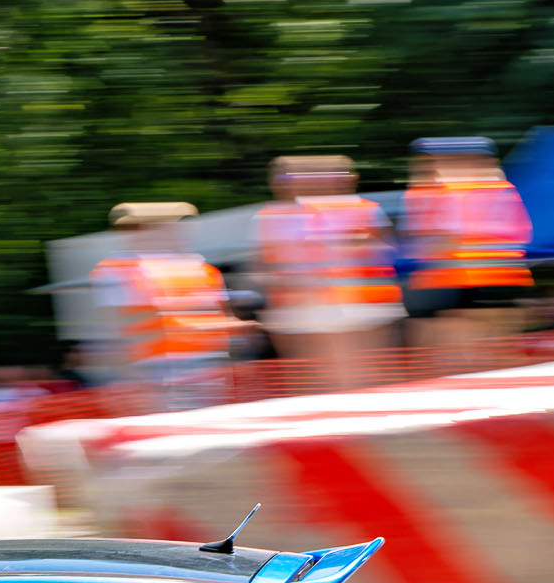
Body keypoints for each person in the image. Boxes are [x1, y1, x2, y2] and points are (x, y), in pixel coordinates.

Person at [255, 156, 403, 385]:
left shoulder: (361, 209)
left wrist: (357, 246)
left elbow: (386, 253)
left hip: (354, 306)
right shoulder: (275, 215)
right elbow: (267, 264)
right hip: (304, 309)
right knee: (320, 376)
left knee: (353, 373)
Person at [89, 202, 238, 409]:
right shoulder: (117, 270)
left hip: (205, 366)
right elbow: (114, 329)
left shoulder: (201, 269)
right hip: (154, 370)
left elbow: (219, 318)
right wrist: (130, 379)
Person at [400, 136, 534, 346]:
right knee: (487, 342)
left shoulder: (459, 190)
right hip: (471, 280)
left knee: (474, 342)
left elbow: (447, 237)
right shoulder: (499, 189)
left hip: (474, 280)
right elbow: (523, 234)